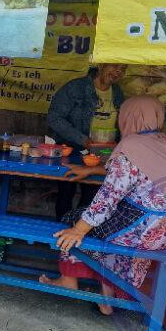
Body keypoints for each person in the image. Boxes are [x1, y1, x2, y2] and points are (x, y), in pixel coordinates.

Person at [40, 96, 166, 315]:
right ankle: (107, 300)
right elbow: (142, 172)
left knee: (76, 219)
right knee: (107, 227)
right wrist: (93, 170)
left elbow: (107, 198)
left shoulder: (131, 146)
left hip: (148, 230)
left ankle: (69, 280)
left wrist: (78, 229)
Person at [47, 64, 128, 221]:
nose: (118, 71)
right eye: (115, 66)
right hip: (74, 151)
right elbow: (54, 118)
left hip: (103, 153)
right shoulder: (75, 88)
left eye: (123, 68)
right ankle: (62, 234)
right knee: (66, 192)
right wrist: (82, 139)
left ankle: (79, 233)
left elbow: (122, 123)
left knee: (92, 195)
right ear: (101, 65)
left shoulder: (117, 92)